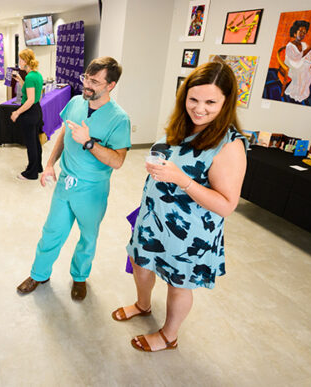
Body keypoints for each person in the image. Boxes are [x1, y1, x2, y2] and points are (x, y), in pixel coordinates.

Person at [113, 61, 248, 352]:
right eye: (193, 99)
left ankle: (168, 335)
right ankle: (143, 304)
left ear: (226, 102)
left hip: (190, 234)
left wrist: (182, 180)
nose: (200, 108)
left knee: (178, 283)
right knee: (140, 263)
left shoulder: (229, 145)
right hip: (153, 218)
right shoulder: (181, 126)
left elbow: (226, 205)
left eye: (211, 102)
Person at [17, 56, 131, 300]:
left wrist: (89, 143)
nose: (87, 85)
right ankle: (39, 274)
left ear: (111, 85)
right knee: (51, 232)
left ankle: (79, 278)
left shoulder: (119, 119)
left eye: (95, 82)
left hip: (92, 191)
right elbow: (63, 135)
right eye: (86, 79)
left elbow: (118, 161)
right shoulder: (77, 102)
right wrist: (49, 164)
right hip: (65, 184)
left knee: (87, 238)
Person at [10, 48, 44, 180]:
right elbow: (34, 95)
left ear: (26, 60)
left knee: (31, 144)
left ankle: (31, 173)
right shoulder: (36, 75)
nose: (19, 62)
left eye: (20, 59)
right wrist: (20, 80)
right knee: (35, 141)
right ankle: (38, 167)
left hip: (29, 113)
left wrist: (17, 112)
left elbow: (29, 99)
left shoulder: (30, 77)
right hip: (37, 110)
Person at [284, 20, 311, 103]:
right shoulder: (289, 46)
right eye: (300, 31)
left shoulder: (303, 44)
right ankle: (296, 93)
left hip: (301, 65)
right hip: (292, 66)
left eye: (304, 33)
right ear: (294, 32)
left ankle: (302, 91)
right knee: (304, 70)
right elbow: (296, 59)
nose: (302, 34)